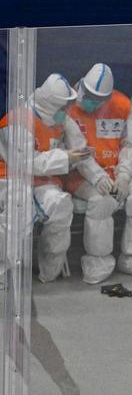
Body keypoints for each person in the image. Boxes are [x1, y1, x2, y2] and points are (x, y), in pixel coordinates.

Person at [66, 63, 132, 284]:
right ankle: (98, 260)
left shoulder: (122, 105)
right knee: (102, 201)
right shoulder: (69, 106)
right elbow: (76, 149)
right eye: (89, 95)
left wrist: (125, 175)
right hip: (82, 173)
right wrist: (98, 177)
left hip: (118, 168)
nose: (91, 101)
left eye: (98, 98)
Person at [0, 74, 93, 283]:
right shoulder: (17, 120)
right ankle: (3, 270)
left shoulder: (59, 117)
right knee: (18, 209)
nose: (67, 111)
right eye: (63, 106)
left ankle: (51, 269)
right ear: (50, 104)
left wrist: (93, 172)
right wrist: (65, 157)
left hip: (42, 181)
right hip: (11, 179)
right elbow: (25, 163)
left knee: (61, 204)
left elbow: (80, 147)